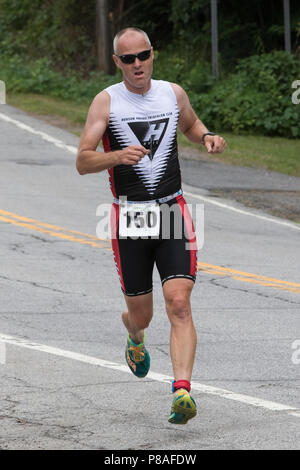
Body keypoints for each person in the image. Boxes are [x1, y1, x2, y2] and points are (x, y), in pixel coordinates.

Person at [76, 27, 226, 424]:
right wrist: (117, 156)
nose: (137, 64)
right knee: (142, 315)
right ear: (117, 62)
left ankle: (181, 392)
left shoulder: (172, 93)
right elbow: (83, 160)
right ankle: (134, 335)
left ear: (152, 55)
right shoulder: (106, 102)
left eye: (143, 55)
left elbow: (191, 124)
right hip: (131, 217)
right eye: (128, 59)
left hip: (172, 211)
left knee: (179, 302)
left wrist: (207, 136)